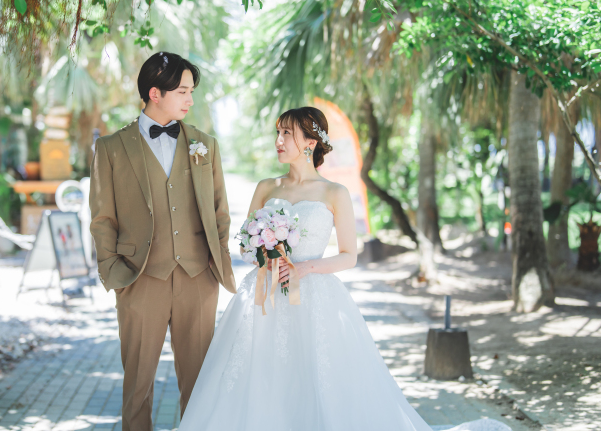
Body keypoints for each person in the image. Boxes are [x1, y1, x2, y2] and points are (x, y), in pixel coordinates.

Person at [178, 106, 510, 431]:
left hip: (313, 294)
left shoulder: (334, 192)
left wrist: (304, 268)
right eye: (277, 133)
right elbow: (245, 246)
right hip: (263, 294)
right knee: (257, 372)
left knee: (313, 375)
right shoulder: (267, 187)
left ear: (310, 142)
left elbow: (349, 255)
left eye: (286, 133)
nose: (278, 140)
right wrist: (267, 255)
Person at [89, 51, 236, 431]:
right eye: (183, 91)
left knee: (200, 383)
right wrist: (114, 272)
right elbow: (103, 218)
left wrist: (214, 263)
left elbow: (221, 213)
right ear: (155, 93)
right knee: (137, 385)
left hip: (197, 279)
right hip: (139, 279)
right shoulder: (111, 149)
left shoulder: (206, 145)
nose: (190, 99)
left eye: (191, 92)